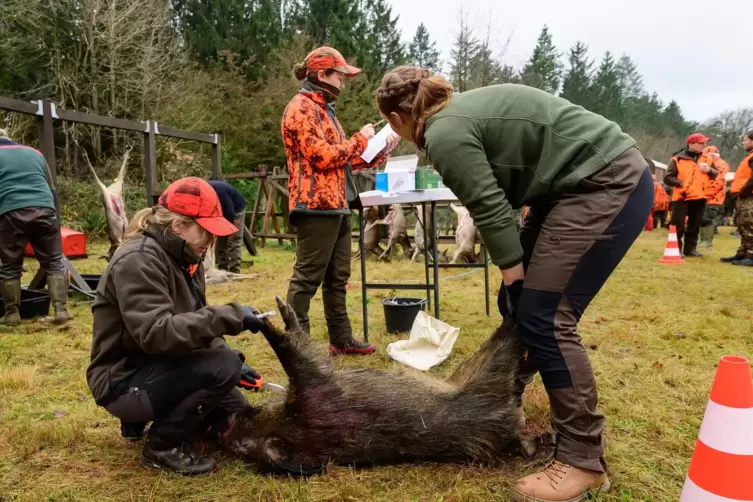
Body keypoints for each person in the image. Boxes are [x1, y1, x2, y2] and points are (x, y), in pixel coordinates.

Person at [375, 66, 653, 502]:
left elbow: (490, 210)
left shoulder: (444, 132)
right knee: (519, 306)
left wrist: (518, 279)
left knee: (547, 316)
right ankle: (501, 404)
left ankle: (582, 459)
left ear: (395, 120)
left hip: (604, 182)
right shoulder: (458, 114)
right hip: (567, 190)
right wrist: (515, 286)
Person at [86, 177, 267, 475]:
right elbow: (157, 334)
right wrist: (229, 317)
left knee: (238, 410)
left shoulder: (184, 256)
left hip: (153, 365)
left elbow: (193, 319)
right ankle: (162, 446)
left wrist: (231, 359)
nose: (211, 241)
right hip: (121, 379)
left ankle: (147, 418)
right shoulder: (138, 260)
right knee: (222, 367)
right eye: (206, 231)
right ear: (179, 225)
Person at [281, 46, 399, 356]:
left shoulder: (325, 110)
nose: (344, 82)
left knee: (338, 278)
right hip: (315, 206)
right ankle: (298, 345)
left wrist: (379, 149)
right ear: (322, 75)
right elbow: (322, 157)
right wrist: (360, 139)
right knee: (307, 278)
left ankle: (341, 339)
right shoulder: (301, 108)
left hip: (338, 204)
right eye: (340, 75)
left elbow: (343, 162)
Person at [0, 129, 71, 326]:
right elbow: (52, 189)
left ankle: (11, 314)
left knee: (10, 264)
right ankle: (61, 310)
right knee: (54, 260)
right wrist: (54, 218)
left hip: (11, 211)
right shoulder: (35, 153)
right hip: (45, 208)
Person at [663, 133, 719, 257]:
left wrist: (710, 170)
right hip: (681, 197)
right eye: (701, 143)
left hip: (700, 197)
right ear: (691, 144)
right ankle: (675, 249)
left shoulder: (707, 159)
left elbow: (716, 174)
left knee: (695, 225)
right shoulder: (677, 159)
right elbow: (667, 178)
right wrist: (682, 184)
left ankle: (690, 250)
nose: (704, 145)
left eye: (704, 143)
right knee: (678, 225)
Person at [722, 130, 753, 266]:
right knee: (742, 225)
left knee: (749, 224)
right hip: (743, 196)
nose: (743, 142)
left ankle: (751, 255)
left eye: (745, 139)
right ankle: (743, 253)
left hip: (749, 196)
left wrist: (743, 192)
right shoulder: (749, 157)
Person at [207, 179, 247, 274]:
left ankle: (234, 270)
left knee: (234, 240)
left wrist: (230, 226)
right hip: (222, 211)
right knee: (221, 240)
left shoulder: (220, 191)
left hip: (236, 210)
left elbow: (229, 211)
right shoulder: (205, 192)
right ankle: (223, 268)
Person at [698, 146, 729, 247]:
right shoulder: (715, 164)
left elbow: (717, 182)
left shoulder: (719, 165)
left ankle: (706, 241)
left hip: (713, 198)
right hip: (710, 197)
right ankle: (703, 240)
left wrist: (705, 193)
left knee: (707, 218)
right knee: (703, 218)